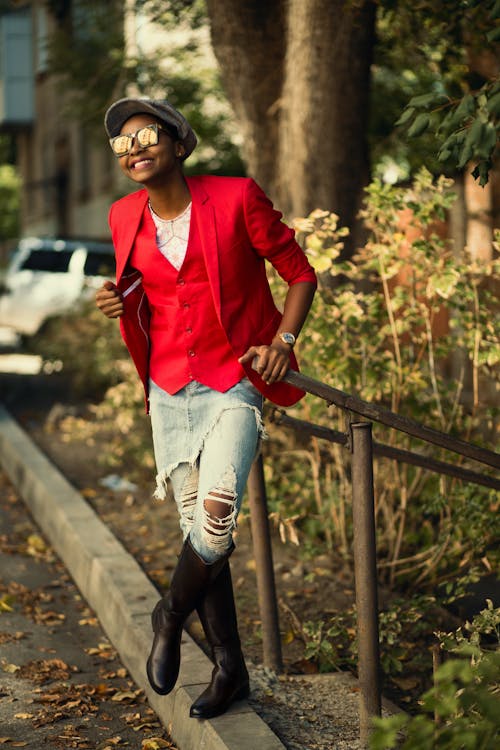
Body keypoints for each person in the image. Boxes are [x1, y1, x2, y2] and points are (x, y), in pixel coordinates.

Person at [96, 96, 317, 719]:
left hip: (234, 381)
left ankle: (167, 617)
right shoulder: (121, 217)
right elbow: (144, 293)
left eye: (145, 136)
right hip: (168, 389)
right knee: (202, 538)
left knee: (216, 520)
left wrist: (284, 342)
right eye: (121, 145)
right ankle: (230, 672)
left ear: (177, 141)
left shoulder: (236, 197)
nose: (132, 149)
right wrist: (120, 303)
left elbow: (300, 274)